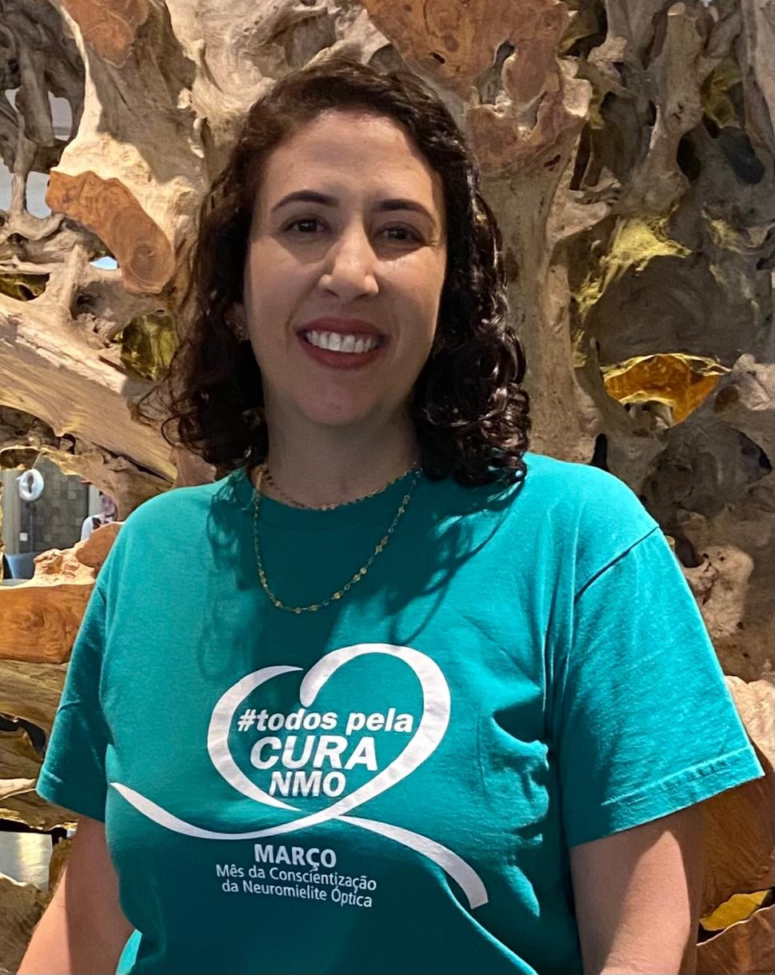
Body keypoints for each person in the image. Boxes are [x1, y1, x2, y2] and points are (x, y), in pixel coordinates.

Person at [23, 59, 763, 975]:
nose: (351, 271)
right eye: (305, 224)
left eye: (398, 232)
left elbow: (642, 948)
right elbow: (88, 925)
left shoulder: (577, 542)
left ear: (450, 293)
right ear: (235, 290)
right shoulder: (156, 553)